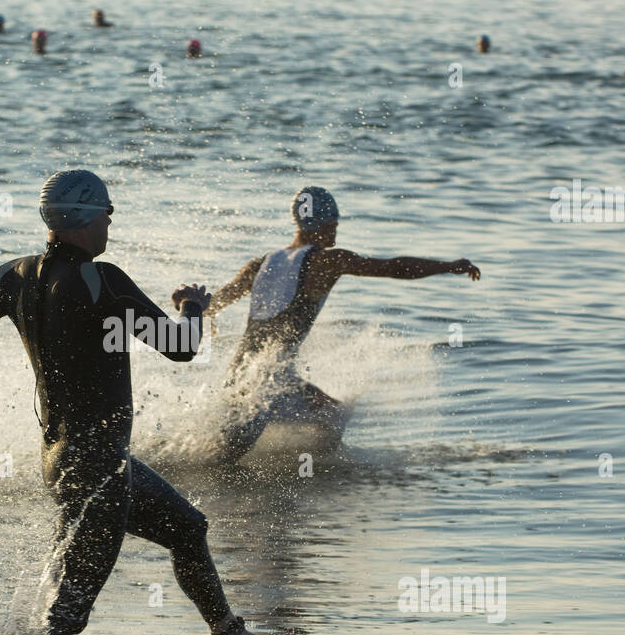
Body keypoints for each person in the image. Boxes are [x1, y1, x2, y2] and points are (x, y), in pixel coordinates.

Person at [0, 170, 301, 635]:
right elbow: (180, 348)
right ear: (87, 218)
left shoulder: (12, 276)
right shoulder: (101, 279)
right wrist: (193, 307)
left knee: (187, 528)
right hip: (97, 466)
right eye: (108, 214)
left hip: (67, 459)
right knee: (70, 614)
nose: (110, 225)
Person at [204, 186, 481, 464]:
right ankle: (311, 472)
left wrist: (200, 310)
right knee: (220, 461)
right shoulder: (328, 260)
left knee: (331, 413)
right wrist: (447, 266)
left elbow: (215, 302)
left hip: (240, 374)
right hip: (270, 384)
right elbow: (393, 268)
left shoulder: (261, 263)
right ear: (321, 223)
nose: (335, 232)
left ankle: (311, 468)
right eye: (333, 224)